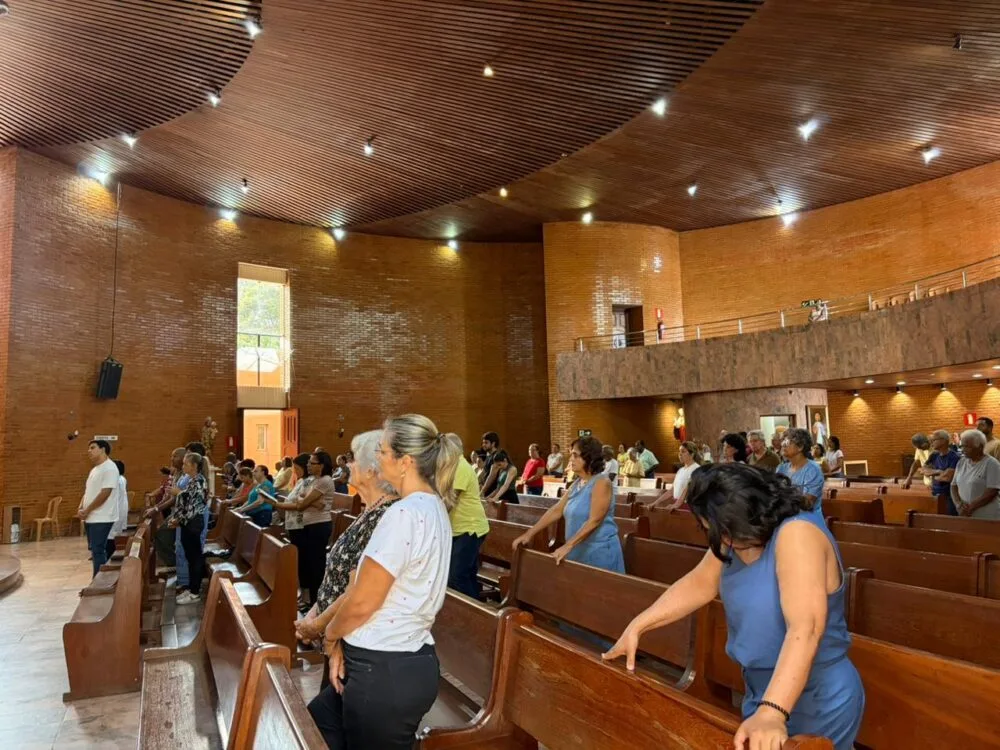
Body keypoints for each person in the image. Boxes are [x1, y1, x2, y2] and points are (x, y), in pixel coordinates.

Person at [603, 464, 864, 750]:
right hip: (761, 689)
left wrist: (773, 710)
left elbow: (806, 627)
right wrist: (638, 625)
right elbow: (700, 582)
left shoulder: (797, 533)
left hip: (817, 696)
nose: (719, 539)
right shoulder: (736, 534)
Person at [308, 414, 460, 749]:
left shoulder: (403, 514)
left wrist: (331, 636)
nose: (377, 458)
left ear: (405, 462)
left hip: (384, 667)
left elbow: (363, 600)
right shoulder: (432, 505)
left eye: (383, 451)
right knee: (316, 725)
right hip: (394, 659)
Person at [295, 432, 401, 686]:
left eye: (354, 459)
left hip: (356, 643)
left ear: (371, 471)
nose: (348, 465)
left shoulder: (385, 517)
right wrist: (314, 613)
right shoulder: (369, 511)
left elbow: (358, 588)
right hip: (338, 634)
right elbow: (337, 574)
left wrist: (317, 626)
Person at [511, 436, 625, 573]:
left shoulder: (602, 482)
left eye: (575, 455)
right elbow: (556, 510)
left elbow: (594, 520)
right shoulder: (577, 483)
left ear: (589, 458)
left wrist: (568, 545)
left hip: (599, 553)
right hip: (578, 550)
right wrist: (530, 533)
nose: (571, 459)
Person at [273, 450, 337, 607]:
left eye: (312, 463)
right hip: (309, 525)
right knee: (308, 563)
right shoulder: (314, 480)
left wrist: (307, 500)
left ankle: (316, 602)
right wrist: (311, 501)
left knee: (315, 565)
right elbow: (305, 499)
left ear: (321, 466)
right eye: (308, 463)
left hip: (319, 526)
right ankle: (311, 601)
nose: (308, 465)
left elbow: (302, 504)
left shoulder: (325, 480)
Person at [169, 452, 209, 605]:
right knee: (190, 557)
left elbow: (192, 505)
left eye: (186, 463)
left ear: (194, 466)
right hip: (187, 523)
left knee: (195, 558)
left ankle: (194, 593)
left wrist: (178, 493)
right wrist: (177, 520)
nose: (183, 466)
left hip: (193, 523)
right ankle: (192, 588)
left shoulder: (199, 481)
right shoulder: (193, 480)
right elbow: (185, 504)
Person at [77, 440, 121, 578]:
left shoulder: (110, 468)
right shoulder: (95, 469)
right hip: (91, 516)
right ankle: (99, 578)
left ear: (102, 449)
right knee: (95, 550)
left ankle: (98, 580)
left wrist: (88, 510)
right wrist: (81, 507)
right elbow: (88, 491)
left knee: (98, 550)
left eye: (92, 448)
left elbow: (105, 493)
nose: (89, 451)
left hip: (102, 516)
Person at [448, 455, 489, 600]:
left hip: (470, 527)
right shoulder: (450, 467)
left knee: (457, 575)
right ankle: (476, 607)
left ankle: (475, 610)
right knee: (464, 574)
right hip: (459, 528)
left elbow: (451, 499)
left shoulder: (461, 466)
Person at [951, 429, 1000, 519]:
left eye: (967, 447)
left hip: (987, 515)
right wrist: (958, 505)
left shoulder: (992, 464)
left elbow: (992, 491)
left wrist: (971, 507)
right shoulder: (962, 462)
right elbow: (953, 486)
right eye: (962, 446)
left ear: (980, 447)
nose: (963, 450)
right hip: (965, 514)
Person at [776, 428, 824, 513]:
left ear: (800, 447)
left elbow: (808, 504)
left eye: (787, 442)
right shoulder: (781, 468)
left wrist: (784, 494)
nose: (783, 445)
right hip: (785, 514)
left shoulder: (813, 470)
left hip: (807, 517)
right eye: (782, 441)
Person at [652, 441, 703, 511]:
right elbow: (672, 490)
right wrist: (656, 503)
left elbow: (688, 490)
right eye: (679, 451)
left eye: (683, 451)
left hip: (688, 507)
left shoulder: (696, 469)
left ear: (692, 454)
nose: (680, 454)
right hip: (677, 504)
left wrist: (676, 504)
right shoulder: (680, 470)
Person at [923, 429, 961, 515]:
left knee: (949, 519)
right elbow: (923, 470)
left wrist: (933, 474)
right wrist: (939, 471)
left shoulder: (954, 457)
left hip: (950, 496)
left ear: (943, 441)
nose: (931, 442)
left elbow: (948, 478)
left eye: (934, 440)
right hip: (935, 493)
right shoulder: (934, 455)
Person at [105, 460, 130, 562]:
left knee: (110, 536)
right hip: (120, 510)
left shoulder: (116, 480)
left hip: (115, 511)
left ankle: (110, 558)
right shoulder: (122, 479)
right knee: (115, 534)